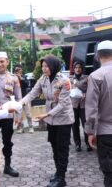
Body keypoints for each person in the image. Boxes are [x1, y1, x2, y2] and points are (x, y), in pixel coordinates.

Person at [20, 55, 74, 187]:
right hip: (51, 119)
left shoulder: (64, 81)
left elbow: (62, 104)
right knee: (54, 146)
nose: (44, 69)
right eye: (43, 66)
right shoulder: (43, 79)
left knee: (62, 148)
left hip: (63, 119)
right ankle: (58, 172)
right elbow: (33, 93)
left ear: (54, 66)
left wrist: (46, 114)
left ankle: (61, 178)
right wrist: (20, 103)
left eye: (47, 66)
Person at [85, 40, 112, 187]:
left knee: (109, 172)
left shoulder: (95, 76)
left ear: (97, 56)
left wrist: (90, 132)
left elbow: (91, 109)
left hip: (105, 132)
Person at [69, 61, 92, 152]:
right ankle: (77, 144)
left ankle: (88, 143)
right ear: (73, 69)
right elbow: (68, 91)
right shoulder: (70, 79)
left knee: (86, 124)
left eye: (79, 67)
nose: (78, 69)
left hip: (84, 105)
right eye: (76, 68)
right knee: (74, 126)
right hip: (73, 105)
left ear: (82, 68)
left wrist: (86, 93)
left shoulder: (87, 78)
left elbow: (90, 89)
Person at [13, 64, 34, 134]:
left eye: (19, 69)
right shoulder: (13, 78)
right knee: (19, 114)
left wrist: (21, 78)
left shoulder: (25, 77)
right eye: (16, 70)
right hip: (17, 99)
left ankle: (31, 127)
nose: (18, 71)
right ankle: (21, 128)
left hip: (25, 98)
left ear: (21, 70)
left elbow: (27, 84)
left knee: (28, 113)